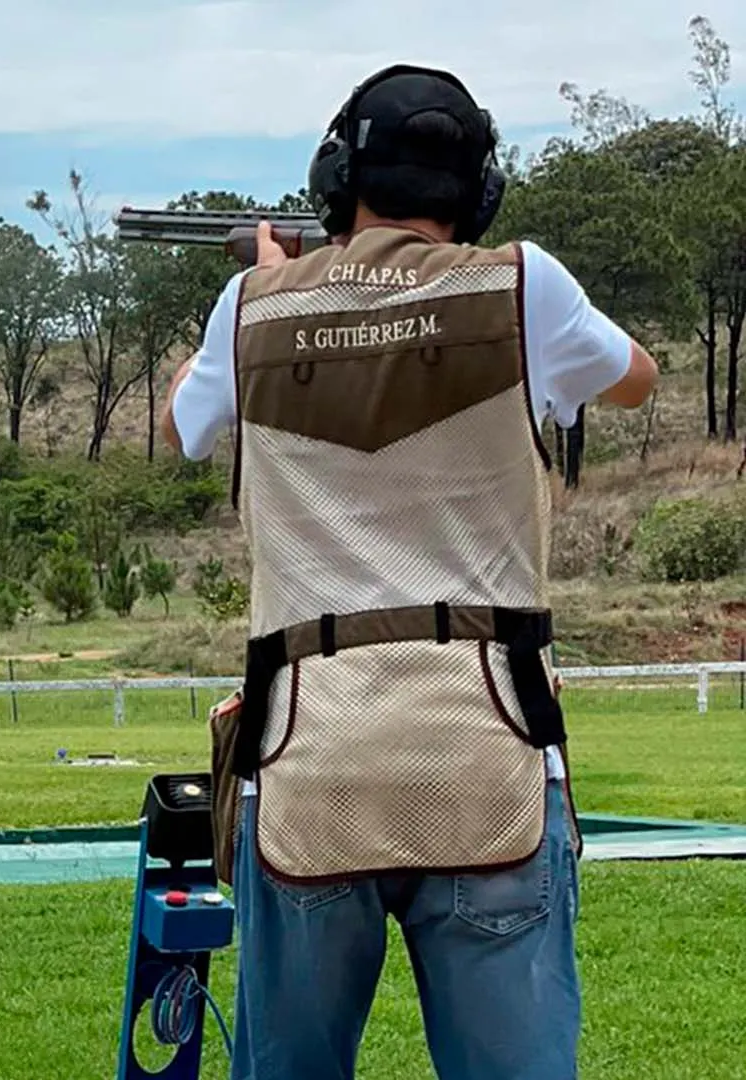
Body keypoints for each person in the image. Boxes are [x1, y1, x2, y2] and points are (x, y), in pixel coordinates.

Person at [158, 65, 657, 1079]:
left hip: (309, 759)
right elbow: (635, 378)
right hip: (486, 751)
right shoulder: (524, 287)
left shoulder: (249, 306)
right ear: (478, 190)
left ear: (338, 178)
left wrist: (280, 277)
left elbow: (181, 425)